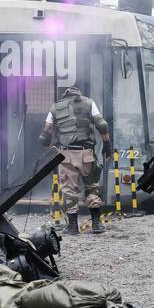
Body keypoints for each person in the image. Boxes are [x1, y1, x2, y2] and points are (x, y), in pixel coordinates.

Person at [39, 85, 110, 235]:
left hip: (65, 156)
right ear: (79, 95)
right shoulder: (90, 103)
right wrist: (107, 144)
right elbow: (102, 125)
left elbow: (46, 131)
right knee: (92, 186)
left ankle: (72, 227)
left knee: (69, 190)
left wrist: (45, 144)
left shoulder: (55, 107)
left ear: (65, 96)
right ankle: (96, 224)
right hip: (86, 154)